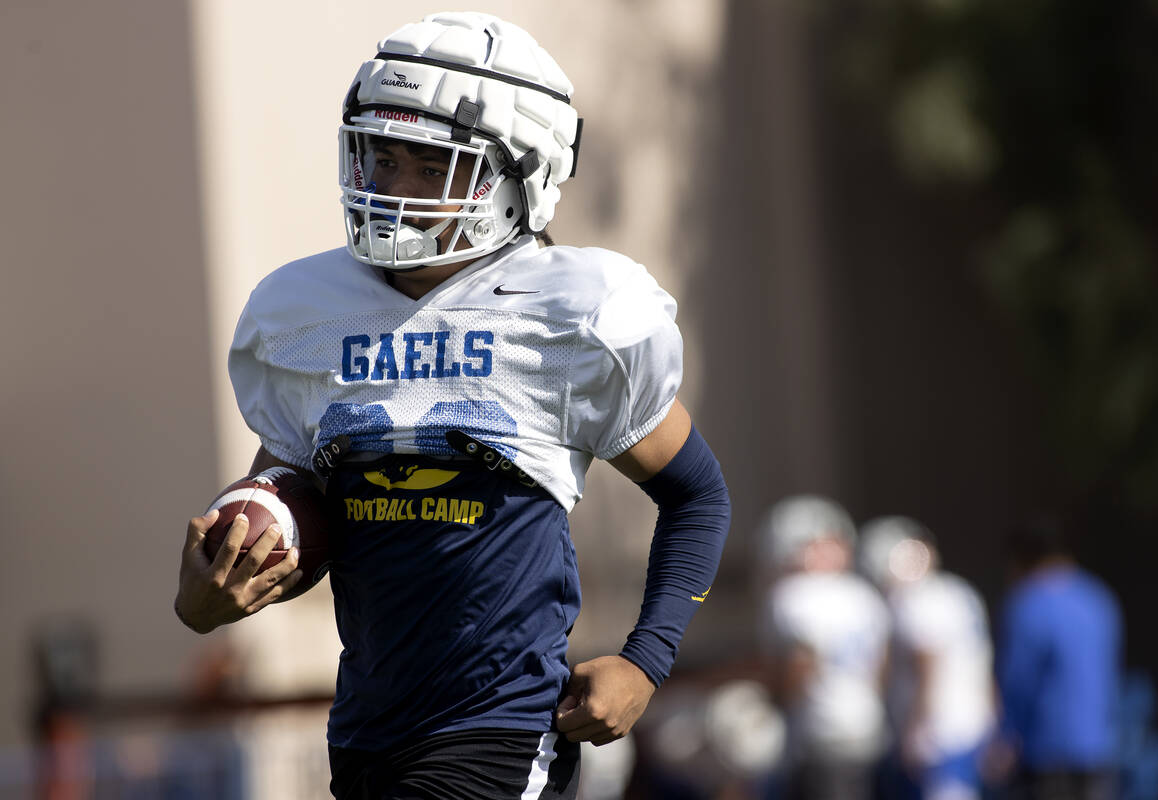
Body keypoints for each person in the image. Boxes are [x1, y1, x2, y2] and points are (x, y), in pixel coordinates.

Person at [172, 12, 731, 799]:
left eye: (432, 165)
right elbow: (299, 515)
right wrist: (213, 593)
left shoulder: (571, 312)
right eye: (383, 157)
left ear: (519, 175)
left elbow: (697, 496)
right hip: (365, 732)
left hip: (502, 727)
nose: (392, 188)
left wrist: (645, 662)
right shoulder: (306, 312)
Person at [760, 495, 890, 800]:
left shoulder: (792, 595)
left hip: (822, 732)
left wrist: (778, 705)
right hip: (867, 724)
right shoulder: (864, 594)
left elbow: (799, 667)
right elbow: (881, 667)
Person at [858, 516, 996, 800]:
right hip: (973, 726)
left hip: (937, 734)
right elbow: (982, 666)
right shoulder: (961, 592)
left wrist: (915, 731)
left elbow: (929, 667)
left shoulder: (914, 600)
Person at [993, 516, 1122, 800]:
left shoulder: (1029, 602)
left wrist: (1006, 735)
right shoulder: (1097, 597)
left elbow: (1018, 681)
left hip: (1046, 749)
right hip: (1098, 744)